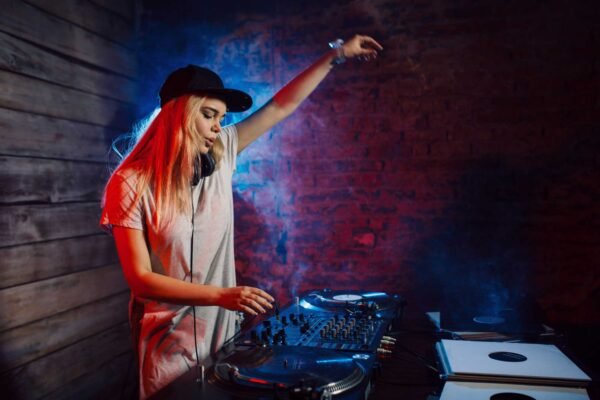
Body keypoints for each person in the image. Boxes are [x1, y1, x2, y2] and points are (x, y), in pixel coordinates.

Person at [100, 34, 382, 399]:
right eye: (208, 115)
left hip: (224, 341)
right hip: (168, 348)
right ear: (178, 114)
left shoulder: (221, 153)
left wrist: (336, 55)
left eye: (221, 118)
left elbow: (280, 106)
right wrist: (221, 295)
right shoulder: (129, 183)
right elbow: (140, 280)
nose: (218, 127)